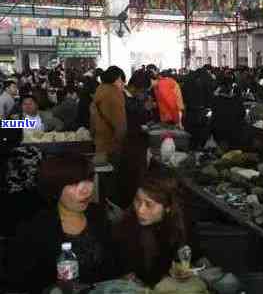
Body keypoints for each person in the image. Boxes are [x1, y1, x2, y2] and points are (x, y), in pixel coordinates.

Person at [4, 155, 119, 293]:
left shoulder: (98, 215)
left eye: (89, 179)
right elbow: (20, 282)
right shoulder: (36, 227)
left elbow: (112, 266)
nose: (86, 190)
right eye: (73, 183)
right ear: (55, 188)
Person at [113, 171, 188, 287]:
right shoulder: (123, 228)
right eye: (137, 200)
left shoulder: (177, 227)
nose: (140, 210)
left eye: (149, 204)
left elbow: (184, 259)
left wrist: (181, 270)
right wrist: (126, 276)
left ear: (168, 207)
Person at [90, 66, 127, 204]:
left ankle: (102, 206)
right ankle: (112, 209)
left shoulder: (99, 90)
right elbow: (121, 125)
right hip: (112, 144)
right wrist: (120, 143)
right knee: (112, 180)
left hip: (99, 143)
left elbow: (92, 121)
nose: (123, 85)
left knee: (101, 179)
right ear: (117, 78)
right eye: (122, 81)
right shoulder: (115, 93)